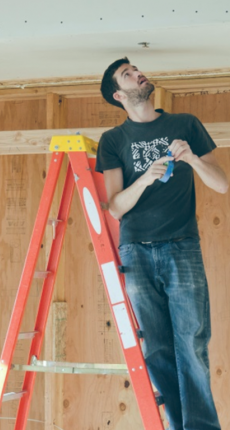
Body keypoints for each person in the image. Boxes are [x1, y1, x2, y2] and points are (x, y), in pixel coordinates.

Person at [96, 57, 228, 430]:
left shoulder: (184, 124)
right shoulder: (113, 141)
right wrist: (145, 180)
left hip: (181, 245)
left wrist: (191, 158)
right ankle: (177, 424)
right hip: (135, 252)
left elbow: (221, 183)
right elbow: (115, 207)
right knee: (157, 350)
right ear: (119, 95)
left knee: (192, 343)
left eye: (136, 68)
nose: (138, 73)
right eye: (128, 74)